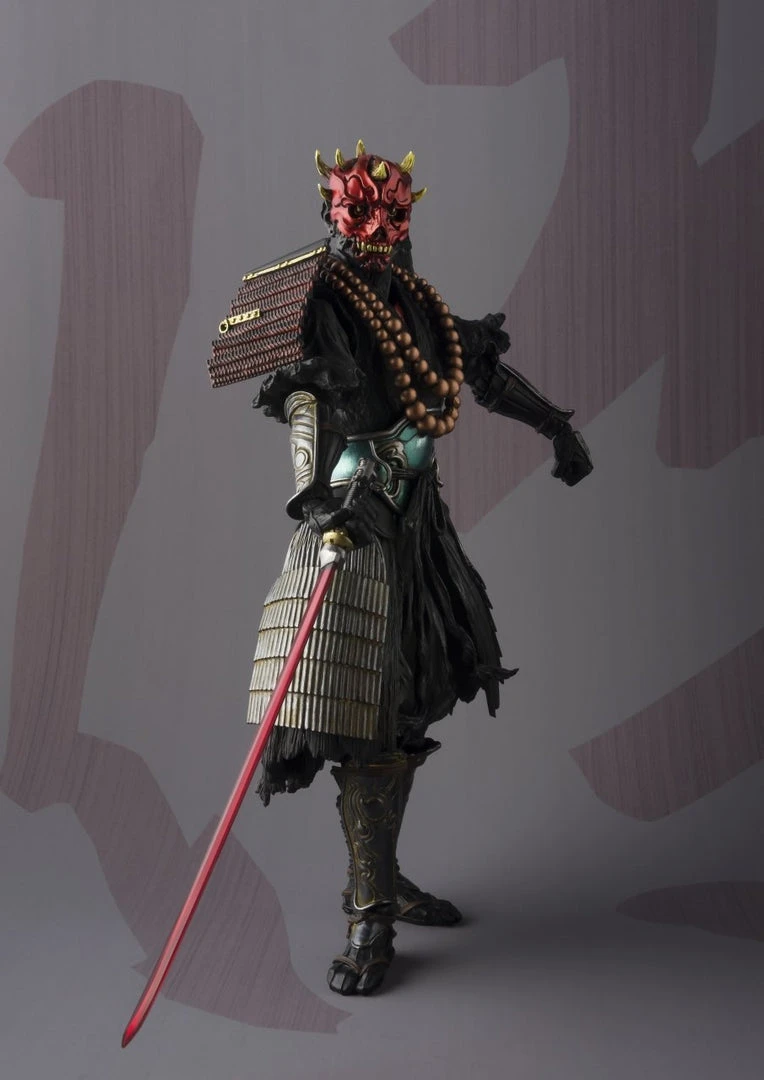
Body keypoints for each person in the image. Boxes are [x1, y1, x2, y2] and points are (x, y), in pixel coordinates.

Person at [209, 141, 593, 996]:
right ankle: (369, 913)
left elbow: (475, 370)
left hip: (419, 521)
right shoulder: (320, 301)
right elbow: (305, 398)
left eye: (393, 214)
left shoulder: (416, 303)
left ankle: (383, 880)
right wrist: (316, 499)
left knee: (412, 694)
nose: (377, 229)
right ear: (332, 214)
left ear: (409, 217)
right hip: (353, 518)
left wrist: (555, 426)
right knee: (361, 710)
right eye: (360, 212)